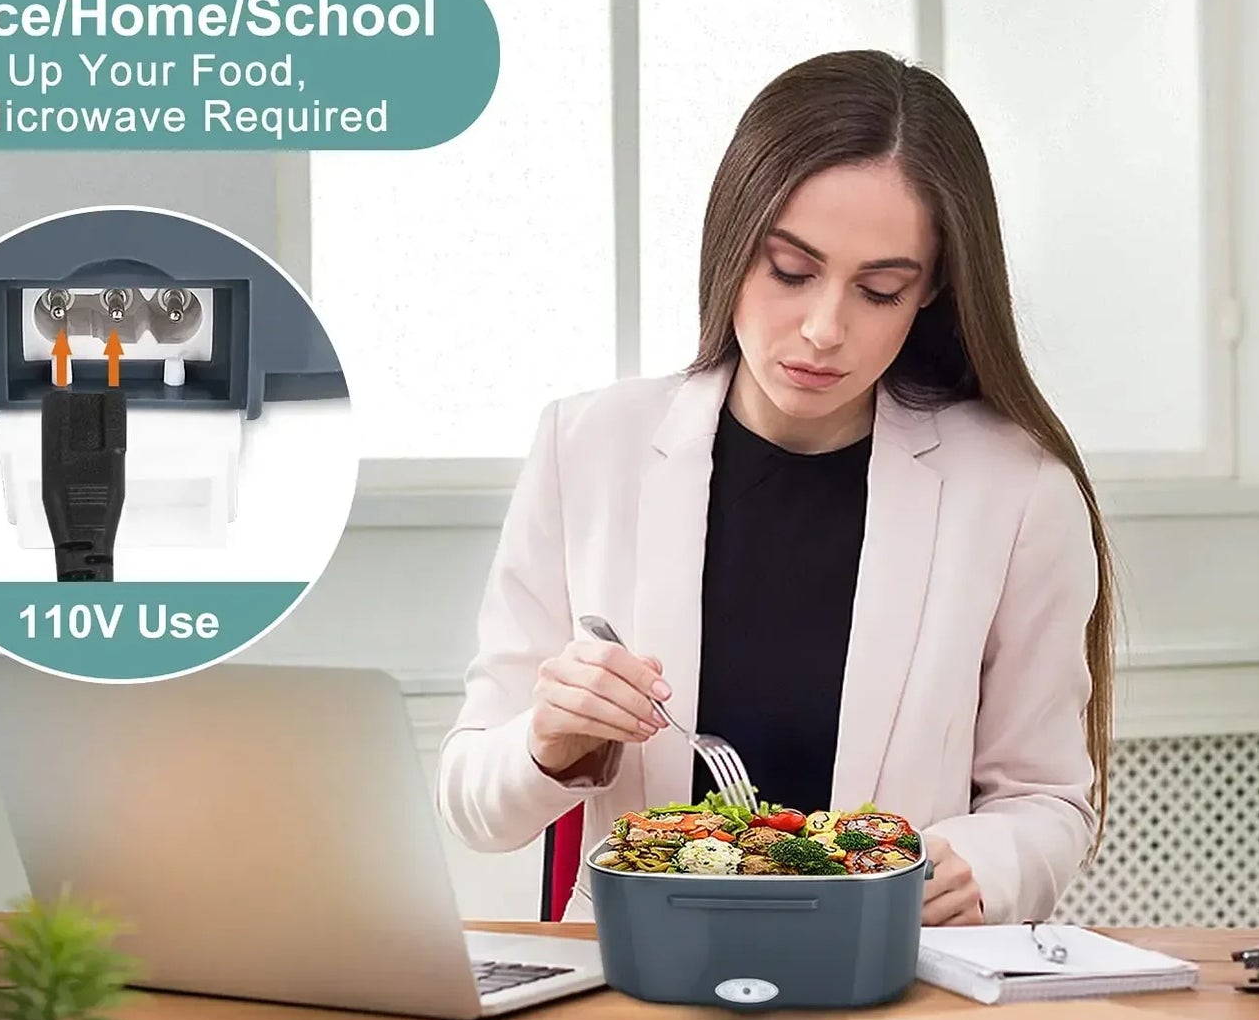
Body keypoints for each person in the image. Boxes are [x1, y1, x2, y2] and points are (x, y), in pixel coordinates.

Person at [437, 49, 1115, 927]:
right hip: (639, 969)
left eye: (879, 290)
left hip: (885, 964)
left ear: (933, 289)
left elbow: (1046, 801)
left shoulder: (1017, 492)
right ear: (732, 241)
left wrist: (980, 864)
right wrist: (548, 737)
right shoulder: (587, 447)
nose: (824, 329)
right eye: (790, 271)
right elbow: (473, 804)